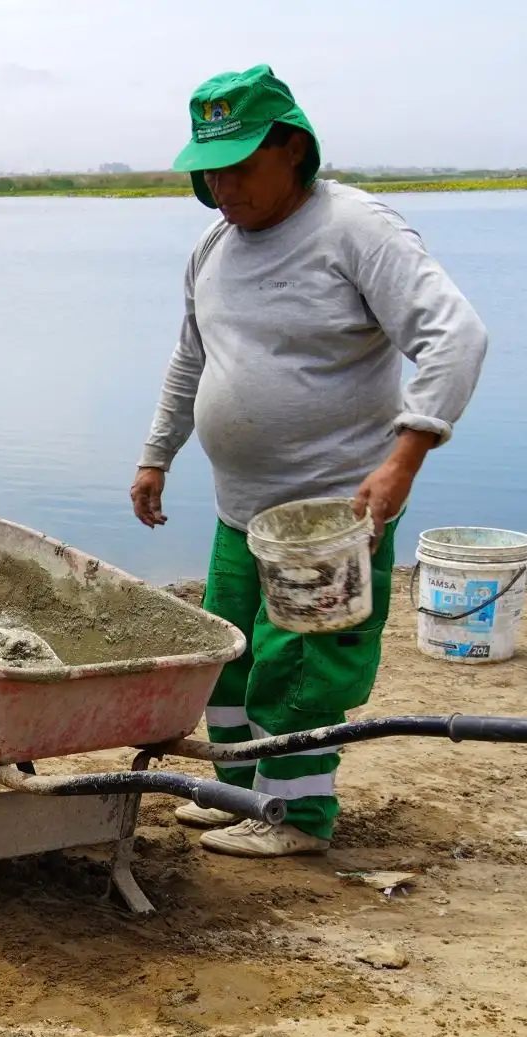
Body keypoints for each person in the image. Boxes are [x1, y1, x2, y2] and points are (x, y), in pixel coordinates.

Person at [132, 65, 487, 858]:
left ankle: (296, 819)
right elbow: (190, 360)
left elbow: (455, 337)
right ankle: (238, 794)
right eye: (209, 169)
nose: (223, 186)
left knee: (300, 667)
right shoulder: (212, 247)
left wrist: (405, 457)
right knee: (227, 651)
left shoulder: (357, 231)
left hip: (329, 517)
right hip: (239, 506)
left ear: (294, 149)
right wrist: (158, 454)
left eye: (242, 165)